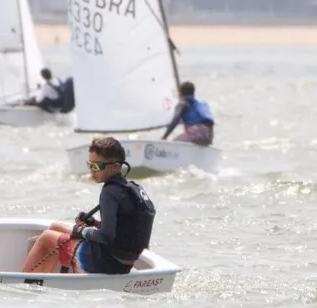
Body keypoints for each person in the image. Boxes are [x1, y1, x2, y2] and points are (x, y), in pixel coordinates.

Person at [20, 137, 155, 274]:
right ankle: (43, 274)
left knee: (46, 237)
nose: (92, 171)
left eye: (97, 166)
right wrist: (94, 223)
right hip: (121, 263)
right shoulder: (130, 189)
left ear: (116, 167)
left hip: (105, 262)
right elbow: (121, 231)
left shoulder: (109, 191)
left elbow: (106, 236)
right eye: (89, 165)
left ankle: (24, 282)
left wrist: (82, 231)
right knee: (55, 227)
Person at [161, 81, 214, 146]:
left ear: (180, 93)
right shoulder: (201, 104)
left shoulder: (182, 103)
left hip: (196, 134)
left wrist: (164, 136)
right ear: (193, 93)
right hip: (208, 135)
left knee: (173, 144)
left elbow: (175, 120)